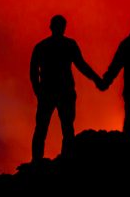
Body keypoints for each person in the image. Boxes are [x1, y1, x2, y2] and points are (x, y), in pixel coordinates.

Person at [30, 15, 102, 162]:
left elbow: (33, 71)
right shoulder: (69, 45)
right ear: (63, 27)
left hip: (50, 92)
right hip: (64, 92)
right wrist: (96, 79)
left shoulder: (42, 46)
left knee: (43, 128)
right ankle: (65, 160)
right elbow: (81, 65)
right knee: (66, 127)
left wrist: (38, 90)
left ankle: (37, 161)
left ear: (51, 27)